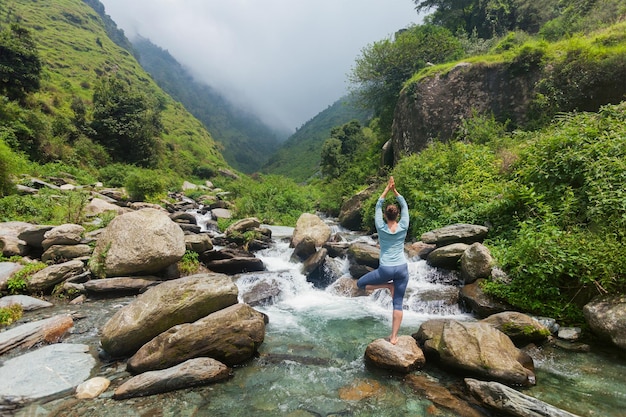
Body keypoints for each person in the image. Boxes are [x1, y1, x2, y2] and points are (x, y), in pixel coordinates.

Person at [357, 176, 409, 345]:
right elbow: (405, 205)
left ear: (386, 215)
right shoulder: (403, 226)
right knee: (398, 304)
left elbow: (378, 204)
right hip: (401, 268)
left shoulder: (380, 226)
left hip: (385, 269)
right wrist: (395, 191)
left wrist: (387, 189)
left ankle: (387, 285)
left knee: (360, 284)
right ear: (398, 215)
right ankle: (394, 337)